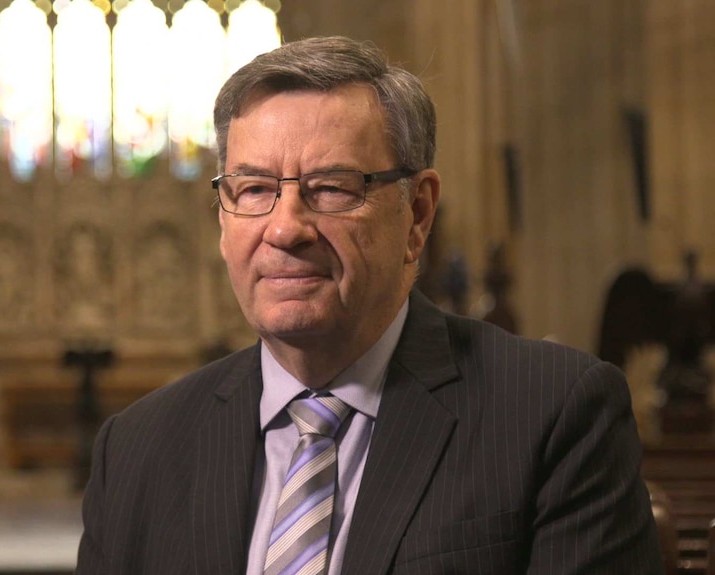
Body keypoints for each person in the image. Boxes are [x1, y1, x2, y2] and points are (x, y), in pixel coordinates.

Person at [76, 36, 662, 574]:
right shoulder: (135, 449)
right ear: (222, 218)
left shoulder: (554, 414)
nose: (285, 229)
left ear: (417, 215)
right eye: (254, 189)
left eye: (331, 187)